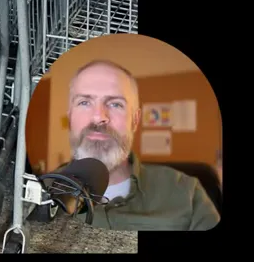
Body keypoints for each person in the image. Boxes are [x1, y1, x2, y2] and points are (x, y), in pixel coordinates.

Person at [65, 59, 219, 231]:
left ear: (135, 120)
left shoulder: (187, 192)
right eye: (84, 102)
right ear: (70, 117)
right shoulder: (35, 192)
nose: (98, 117)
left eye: (115, 104)